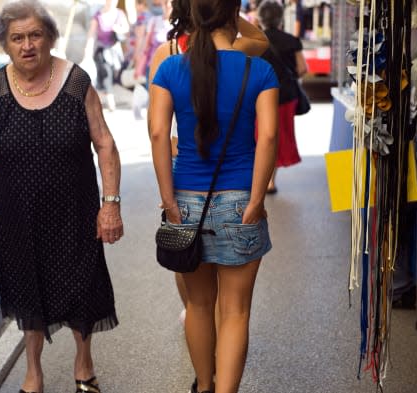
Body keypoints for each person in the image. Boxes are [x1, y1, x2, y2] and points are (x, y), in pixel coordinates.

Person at [0, 1, 123, 392]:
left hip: (76, 211)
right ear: (5, 44)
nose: (27, 45)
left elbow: (104, 144)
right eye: (17, 38)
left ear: (50, 38)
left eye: (35, 35)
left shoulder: (76, 83)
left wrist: (110, 205)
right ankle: (33, 371)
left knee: (81, 286)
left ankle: (83, 365)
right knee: (26, 288)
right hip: (18, 214)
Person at [149, 0, 279, 391]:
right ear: (232, 13)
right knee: (235, 312)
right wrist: (257, 201)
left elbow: (158, 134)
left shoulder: (171, 68)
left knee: (199, 306)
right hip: (240, 199)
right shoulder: (259, 69)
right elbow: (268, 136)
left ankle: (203, 385)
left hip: (186, 199)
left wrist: (169, 201)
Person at [257, 0, 308, 193]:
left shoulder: (255, 41)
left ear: (260, 19)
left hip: (260, 96)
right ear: (280, 19)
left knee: (260, 136)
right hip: (285, 95)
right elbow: (302, 68)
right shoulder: (291, 40)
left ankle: (258, 179)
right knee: (277, 137)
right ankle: (270, 181)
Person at [84, 0, 130, 111]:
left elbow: (127, 29)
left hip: (114, 51)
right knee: (106, 73)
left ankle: (105, 95)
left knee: (113, 74)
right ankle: (111, 102)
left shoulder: (119, 14)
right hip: (101, 50)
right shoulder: (98, 15)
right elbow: (92, 33)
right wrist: (87, 50)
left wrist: (118, 29)